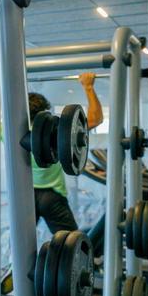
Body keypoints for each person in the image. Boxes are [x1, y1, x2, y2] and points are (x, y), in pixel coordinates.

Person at [30, 72, 103, 233]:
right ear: (44, 114)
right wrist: (88, 87)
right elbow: (95, 119)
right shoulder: (54, 132)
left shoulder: (8, 132)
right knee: (71, 243)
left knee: (18, 243)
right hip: (52, 196)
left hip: (24, 193)